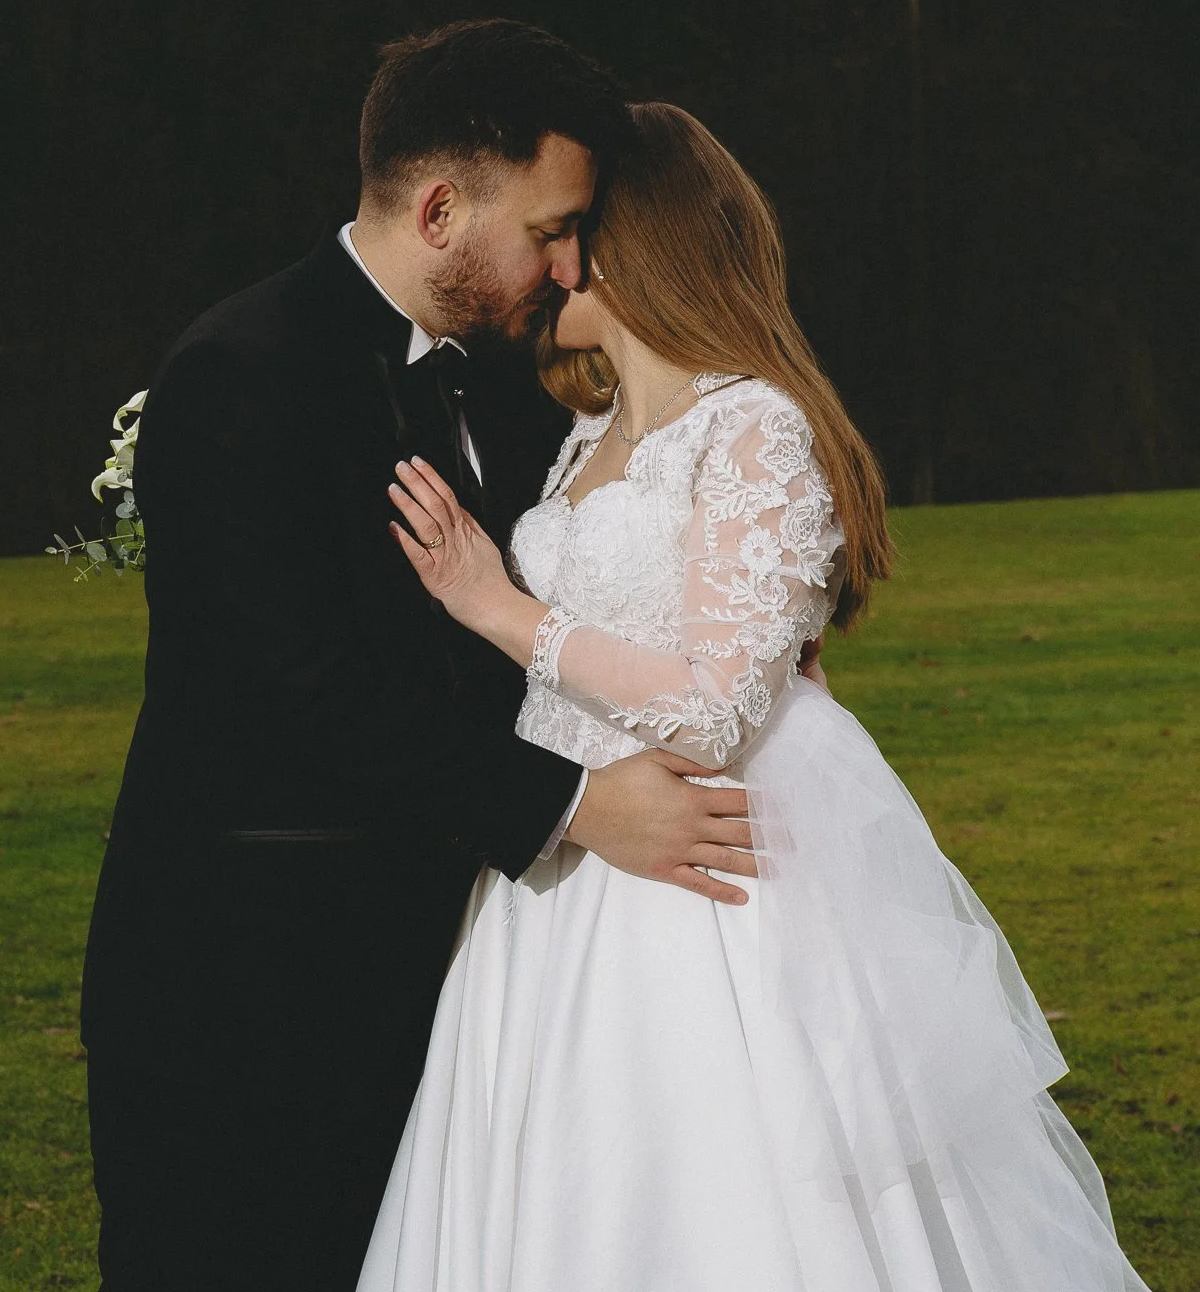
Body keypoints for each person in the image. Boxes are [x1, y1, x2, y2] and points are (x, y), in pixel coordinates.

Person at [366, 100, 1151, 1292]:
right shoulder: (583, 433)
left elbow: (720, 707)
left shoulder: (755, 425)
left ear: (641, 241)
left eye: (574, 230)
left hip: (705, 875)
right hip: (558, 872)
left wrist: (498, 603)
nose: (549, 260)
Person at [81, 25, 764, 1291]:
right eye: (551, 229)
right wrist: (574, 807)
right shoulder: (242, 373)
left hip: (453, 975)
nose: (569, 267)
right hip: (251, 987)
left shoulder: (513, 389)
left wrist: (738, 637)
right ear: (442, 207)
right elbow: (301, 691)